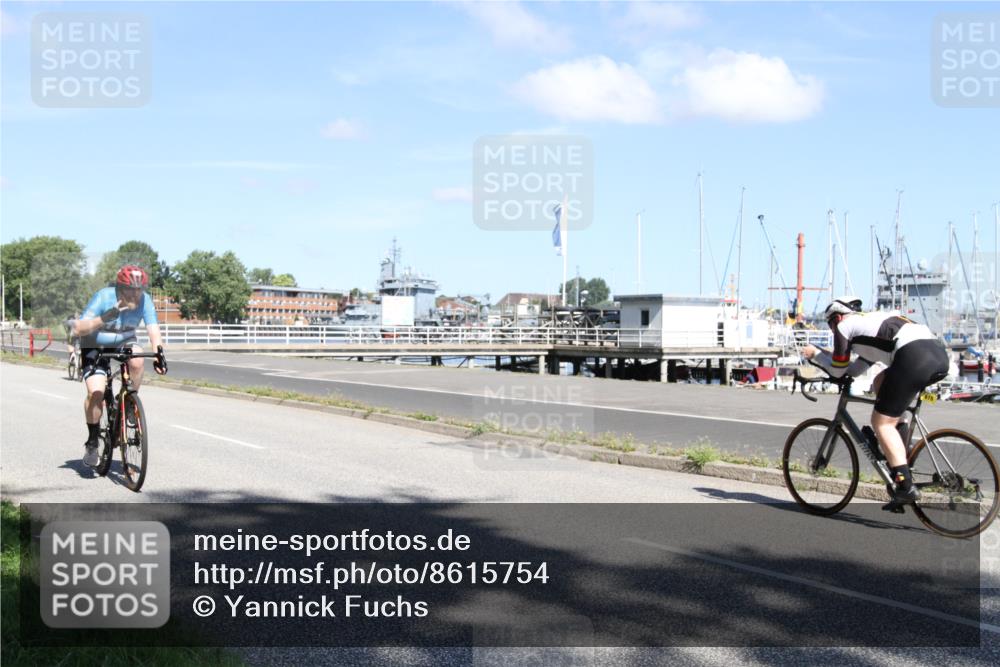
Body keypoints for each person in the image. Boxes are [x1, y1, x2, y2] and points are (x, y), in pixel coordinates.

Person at [801, 296, 949, 511]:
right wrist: (826, 356)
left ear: (837, 317)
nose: (833, 329)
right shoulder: (869, 326)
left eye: (830, 324)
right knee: (880, 382)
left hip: (913, 356)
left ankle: (904, 485)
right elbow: (853, 371)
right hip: (936, 353)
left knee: (881, 423)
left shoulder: (845, 326)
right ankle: (900, 449)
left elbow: (838, 371)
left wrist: (815, 355)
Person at [67, 265, 167, 467]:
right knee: (96, 392)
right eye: (131, 290)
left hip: (123, 342)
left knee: (138, 359)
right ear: (120, 288)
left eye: (139, 290)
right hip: (95, 344)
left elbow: (153, 331)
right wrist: (105, 317)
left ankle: (129, 402)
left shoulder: (145, 300)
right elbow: (79, 328)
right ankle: (93, 442)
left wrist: (159, 354)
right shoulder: (103, 297)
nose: (135, 294)